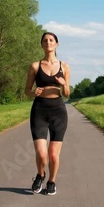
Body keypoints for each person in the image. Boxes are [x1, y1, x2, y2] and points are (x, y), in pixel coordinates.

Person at [25, 32, 70, 195]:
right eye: (45, 40)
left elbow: (67, 93)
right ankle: (40, 175)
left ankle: (51, 181)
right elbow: (27, 91)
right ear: (42, 45)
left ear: (56, 44)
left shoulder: (64, 66)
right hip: (39, 111)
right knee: (42, 154)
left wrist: (64, 83)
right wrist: (33, 92)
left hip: (58, 111)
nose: (48, 42)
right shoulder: (35, 66)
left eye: (51, 40)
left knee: (53, 154)